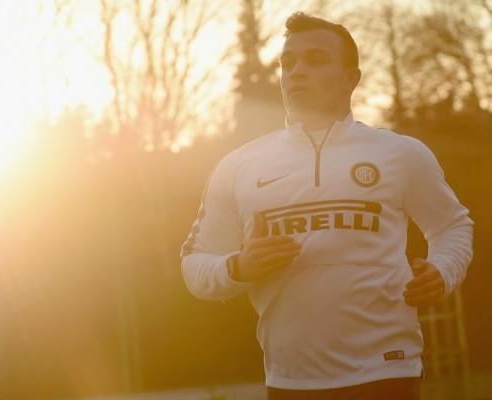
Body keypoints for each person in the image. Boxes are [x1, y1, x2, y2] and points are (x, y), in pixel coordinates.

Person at [180, 12, 473, 400]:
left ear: (351, 78)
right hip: (291, 380)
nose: (297, 72)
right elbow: (195, 264)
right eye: (288, 63)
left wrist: (442, 271)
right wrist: (238, 266)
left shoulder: (400, 153)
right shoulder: (238, 165)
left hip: (388, 370)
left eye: (315, 60)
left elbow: (452, 226)